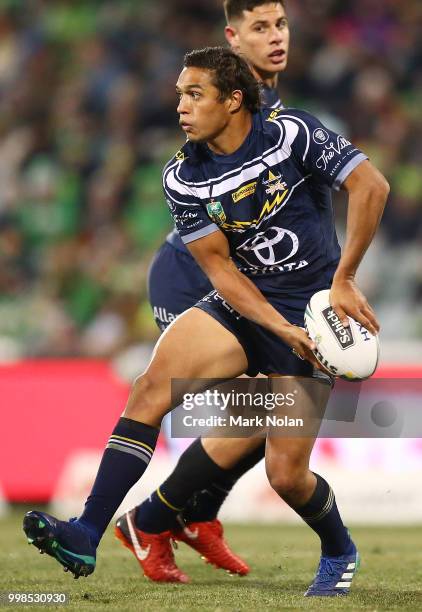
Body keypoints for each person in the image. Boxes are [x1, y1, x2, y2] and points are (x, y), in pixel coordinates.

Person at [24, 46, 389, 597]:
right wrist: (273, 326)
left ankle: (338, 547)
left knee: (286, 475)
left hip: (314, 314)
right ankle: (86, 532)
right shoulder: (182, 177)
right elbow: (219, 269)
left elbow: (372, 186)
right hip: (245, 304)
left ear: (233, 100)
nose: (181, 107)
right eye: (179, 95)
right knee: (149, 389)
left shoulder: (291, 133)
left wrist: (344, 278)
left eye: (194, 95)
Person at [126, 0, 291, 582]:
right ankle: (159, 517)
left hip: (240, 272)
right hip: (194, 273)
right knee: (263, 409)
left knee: (277, 411)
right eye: (260, 29)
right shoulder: (221, 99)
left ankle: (189, 515)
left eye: (280, 25)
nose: (275, 38)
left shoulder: (279, 112)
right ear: (232, 39)